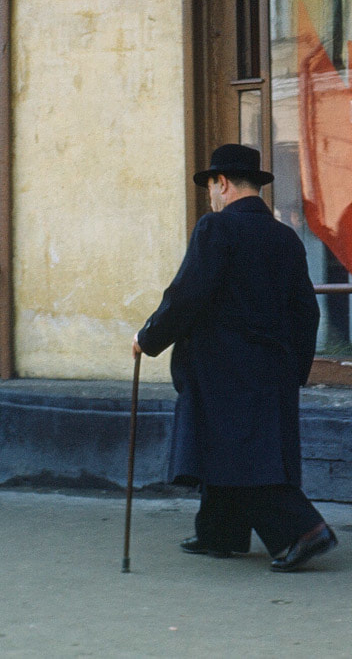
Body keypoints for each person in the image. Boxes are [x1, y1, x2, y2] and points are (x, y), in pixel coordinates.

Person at [133, 144, 338, 572]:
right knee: (232, 447)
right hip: (273, 368)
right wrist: (294, 367)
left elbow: (185, 296)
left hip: (222, 368)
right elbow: (306, 310)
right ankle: (219, 532)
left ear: (221, 183)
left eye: (211, 185)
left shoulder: (216, 229)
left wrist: (148, 338)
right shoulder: (285, 237)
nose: (211, 194)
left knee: (241, 455)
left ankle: (302, 530)